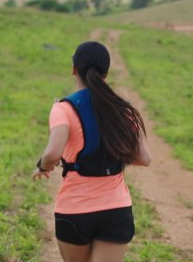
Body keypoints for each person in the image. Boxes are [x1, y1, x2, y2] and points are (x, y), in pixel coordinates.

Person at [32, 41, 151, 262]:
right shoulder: (123, 108)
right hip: (116, 210)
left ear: (74, 69)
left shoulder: (64, 108)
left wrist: (43, 166)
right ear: (106, 72)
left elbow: (53, 152)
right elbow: (144, 158)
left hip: (75, 210)